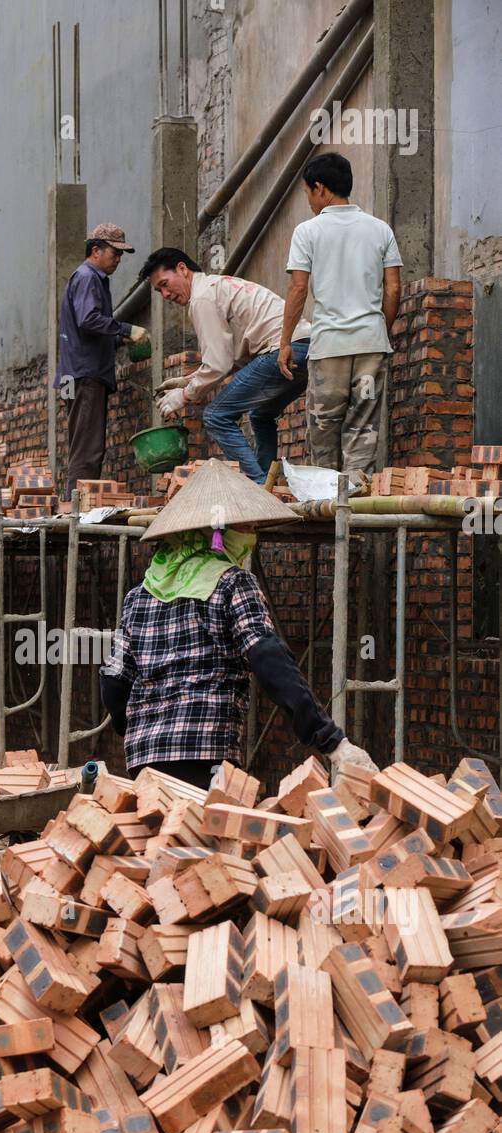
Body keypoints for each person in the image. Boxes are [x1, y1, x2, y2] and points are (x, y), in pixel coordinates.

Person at [99, 461, 377, 787]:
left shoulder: (138, 596)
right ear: (219, 533)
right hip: (206, 754)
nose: (252, 535)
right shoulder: (232, 583)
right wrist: (331, 740)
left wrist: (137, 728)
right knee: (206, 836)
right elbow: (268, 657)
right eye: (246, 527)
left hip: (144, 757)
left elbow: (114, 679)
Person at [279, 152, 403, 493]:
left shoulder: (308, 232)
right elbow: (393, 287)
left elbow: (299, 287)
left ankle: (328, 512)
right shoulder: (381, 230)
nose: (308, 201)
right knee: (362, 432)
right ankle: (354, 521)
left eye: (307, 193)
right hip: (370, 347)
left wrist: (285, 341)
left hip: (329, 348)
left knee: (324, 432)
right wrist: (381, 329)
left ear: (320, 188)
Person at [139, 248, 313, 486]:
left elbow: (219, 364)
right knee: (261, 414)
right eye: (159, 290)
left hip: (281, 351)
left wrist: (185, 395)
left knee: (216, 415)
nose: (166, 294)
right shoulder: (214, 286)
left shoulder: (201, 298)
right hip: (306, 348)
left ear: (182, 269)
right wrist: (189, 380)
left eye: (165, 284)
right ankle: (268, 484)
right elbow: (227, 358)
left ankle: (257, 489)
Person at [55, 224, 149, 500]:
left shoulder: (86, 277)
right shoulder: (87, 277)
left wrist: (119, 340)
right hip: (85, 375)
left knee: (81, 442)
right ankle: (78, 511)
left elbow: (86, 329)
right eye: (114, 253)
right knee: (88, 446)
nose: (118, 259)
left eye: (122, 255)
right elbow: (88, 320)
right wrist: (126, 330)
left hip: (75, 373)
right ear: (96, 250)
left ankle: (76, 505)